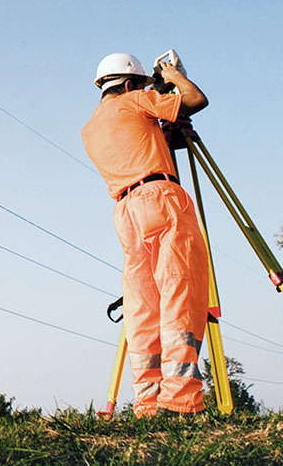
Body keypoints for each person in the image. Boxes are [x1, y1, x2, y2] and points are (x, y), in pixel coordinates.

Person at [81, 52, 210, 417]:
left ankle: (148, 403)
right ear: (127, 85)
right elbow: (196, 100)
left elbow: (143, 134)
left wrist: (152, 88)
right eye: (140, 84)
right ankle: (181, 399)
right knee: (180, 290)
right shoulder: (136, 100)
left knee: (143, 305)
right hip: (161, 197)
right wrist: (172, 77)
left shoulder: (91, 127)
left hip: (125, 211)